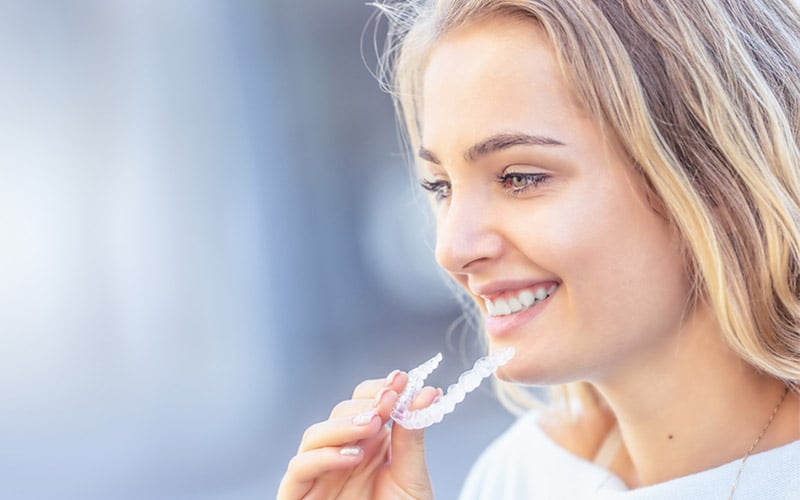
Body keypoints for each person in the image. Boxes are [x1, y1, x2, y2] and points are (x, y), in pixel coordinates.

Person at [278, 0, 800, 498]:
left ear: (719, 181)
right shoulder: (518, 477)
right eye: (441, 187)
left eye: (520, 177)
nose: (451, 249)